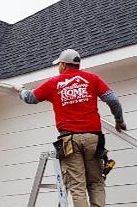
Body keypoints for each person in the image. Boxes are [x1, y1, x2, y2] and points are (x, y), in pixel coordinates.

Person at [14, 49, 126, 207]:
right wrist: (119, 120)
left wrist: (21, 90)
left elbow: (31, 98)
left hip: (69, 141)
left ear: (64, 64)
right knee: (96, 183)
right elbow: (113, 100)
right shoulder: (92, 79)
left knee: (77, 186)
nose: (58, 67)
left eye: (59, 64)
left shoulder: (54, 83)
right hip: (93, 138)